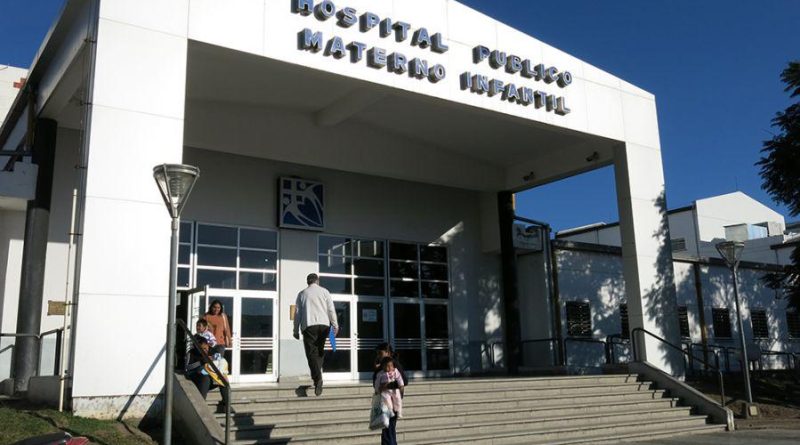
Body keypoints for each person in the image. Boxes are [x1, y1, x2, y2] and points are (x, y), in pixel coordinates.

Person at [293, 273, 338, 396]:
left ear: (307, 281)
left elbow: (297, 313)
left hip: (309, 325)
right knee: (319, 351)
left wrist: (295, 330)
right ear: (317, 281)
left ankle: (318, 379)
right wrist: (335, 325)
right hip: (324, 325)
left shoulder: (302, 294)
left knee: (311, 354)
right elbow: (331, 309)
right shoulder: (325, 292)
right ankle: (318, 376)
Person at [185, 335, 229, 411]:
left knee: (223, 379)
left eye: (206, 348)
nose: (205, 351)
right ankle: (201, 405)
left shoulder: (211, 350)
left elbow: (220, 361)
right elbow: (188, 367)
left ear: (208, 345)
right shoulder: (191, 353)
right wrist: (202, 361)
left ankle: (226, 404)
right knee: (205, 378)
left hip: (211, 375)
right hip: (196, 377)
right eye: (202, 349)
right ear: (197, 348)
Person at [374, 356, 404, 445]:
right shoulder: (380, 374)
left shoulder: (396, 370)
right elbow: (376, 384)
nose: (389, 368)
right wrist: (378, 390)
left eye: (391, 366)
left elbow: (401, 380)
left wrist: (401, 387)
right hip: (385, 394)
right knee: (388, 430)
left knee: (398, 399)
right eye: (387, 366)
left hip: (394, 392)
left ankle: (399, 411)